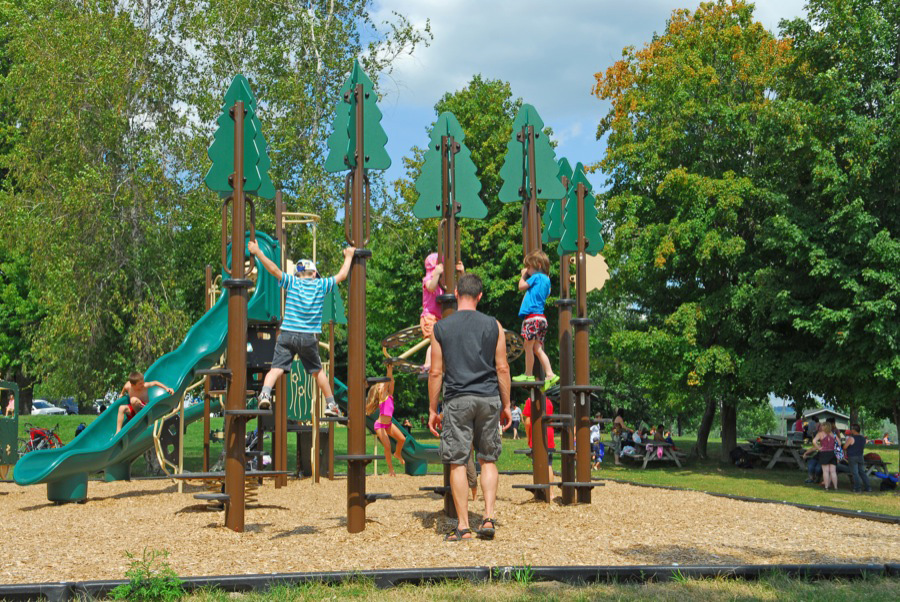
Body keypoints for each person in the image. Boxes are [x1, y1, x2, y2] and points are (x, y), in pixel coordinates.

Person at [428, 273, 511, 542]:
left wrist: (432, 408)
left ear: (455, 292)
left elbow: (436, 372)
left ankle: (463, 526)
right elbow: (502, 367)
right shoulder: (494, 325)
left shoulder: (441, 328)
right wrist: (507, 404)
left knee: (458, 461)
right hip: (488, 398)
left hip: (457, 400)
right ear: (480, 296)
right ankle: (487, 518)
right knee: (488, 459)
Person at [248, 241, 354, 414]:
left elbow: (273, 270)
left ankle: (265, 395)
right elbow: (342, 275)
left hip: (287, 334)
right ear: (314, 274)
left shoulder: (292, 283)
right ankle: (331, 405)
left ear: (298, 274)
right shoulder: (321, 285)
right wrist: (348, 256)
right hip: (308, 338)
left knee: (275, 369)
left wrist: (258, 252)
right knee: (317, 372)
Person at [511, 250, 558, 390]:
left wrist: (524, 275)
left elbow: (521, 287)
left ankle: (528, 373)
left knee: (527, 347)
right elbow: (547, 293)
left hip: (531, 318)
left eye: (529, 267)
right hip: (541, 318)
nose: (528, 270)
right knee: (537, 348)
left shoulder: (536, 277)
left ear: (537, 265)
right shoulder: (547, 280)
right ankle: (550, 374)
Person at [420, 253, 464, 373]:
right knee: (435, 341)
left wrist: (461, 273)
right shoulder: (429, 279)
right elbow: (430, 287)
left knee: (442, 342)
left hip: (440, 317)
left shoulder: (443, 284)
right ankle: (427, 365)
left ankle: (444, 364)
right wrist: (436, 274)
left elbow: (460, 289)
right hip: (429, 316)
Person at [365, 363, 406, 476]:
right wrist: (389, 370)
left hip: (388, 424)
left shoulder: (390, 395)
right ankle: (391, 469)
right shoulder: (382, 396)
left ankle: (397, 454)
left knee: (402, 439)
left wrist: (390, 370)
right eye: (381, 385)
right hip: (380, 425)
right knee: (387, 446)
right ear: (379, 390)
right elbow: (388, 380)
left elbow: (391, 382)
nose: (384, 385)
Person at [523, 396, 557, 498]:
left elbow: (528, 421)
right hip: (549, 434)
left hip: (537, 434)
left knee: (537, 462)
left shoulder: (531, 400)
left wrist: (528, 436)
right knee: (549, 464)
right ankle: (550, 492)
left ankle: (539, 492)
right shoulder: (549, 401)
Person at [843, 423, 872, 493]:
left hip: (853, 457)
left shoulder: (851, 438)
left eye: (851, 429)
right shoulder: (863, 438)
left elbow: (844, 447)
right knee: (862, 472)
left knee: (855, 473)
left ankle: (857, 488)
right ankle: (868, 487)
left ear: (854, 430)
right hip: (860, 456)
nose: (851, 430)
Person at [813, 422, 839, 490]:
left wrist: (818, 448)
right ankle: (836, 487)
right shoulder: (833, 434)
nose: (821, 427)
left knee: (825, 471)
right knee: (833, 471)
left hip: (824, 453)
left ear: (824, 427)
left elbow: (814, 441)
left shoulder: (820, 434)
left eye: (822, 426)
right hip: (832, 453)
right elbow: (839, 443)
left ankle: (826, 487)